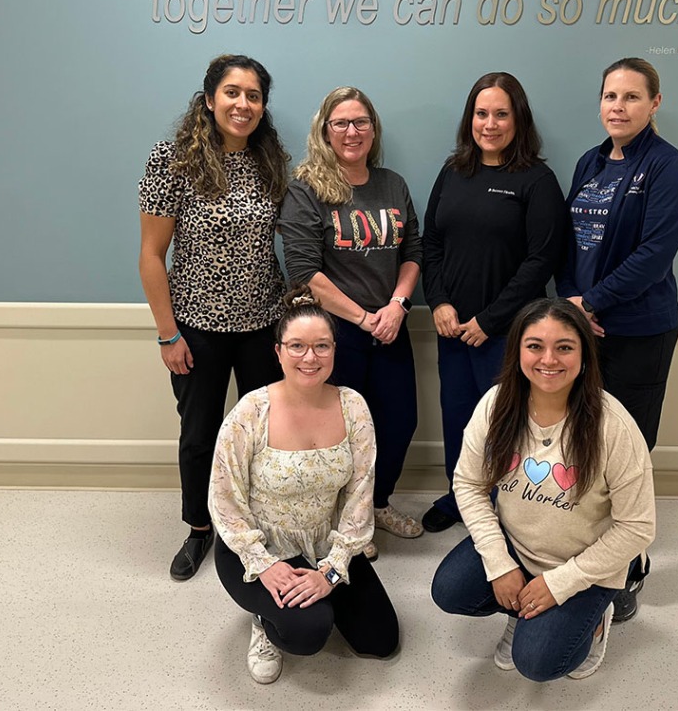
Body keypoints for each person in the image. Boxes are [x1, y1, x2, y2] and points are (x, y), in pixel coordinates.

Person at [431, 298, 654, 681]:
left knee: (537, 663)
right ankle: (525, 608)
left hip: (583, 563)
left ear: (584, 354)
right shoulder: (496, 405)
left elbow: (637, 527)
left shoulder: (613, 426)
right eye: (535, 346)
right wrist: (501, 565)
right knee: (450, 591)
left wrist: (560, 582)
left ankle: (597, 618)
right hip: (519, 547)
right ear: (517, 350)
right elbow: (468, 484)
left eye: (564, 347)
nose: (548, 359)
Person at [138, 54, 290, 582]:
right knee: (200, 434)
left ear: (263, 106)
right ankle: (200, 528)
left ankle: (257, 522)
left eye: (252, 95)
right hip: (196, 327)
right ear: (209, 99)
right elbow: (151, 255)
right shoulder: (172, 160)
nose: (242, 104)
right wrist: (167, 334)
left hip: (263, 325)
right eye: (232, 92)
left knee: (264, 434)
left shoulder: (272, 160)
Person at [556, 57, 678, 621]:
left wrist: (593, 302)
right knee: (582, 442)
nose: (619, 106)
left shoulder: (667, 167)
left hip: (638, 329)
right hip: (582, 329)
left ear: (654, 103)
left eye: (632, 97)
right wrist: (571, 304)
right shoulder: (591, 162)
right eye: (610, 96)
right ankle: (585, 552)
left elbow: (654, 254)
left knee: (628, 450)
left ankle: (629, 565)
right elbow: (568, 242)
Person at [210, 286, 399, 684]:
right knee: (307, 633)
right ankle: (262, 619)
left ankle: (314, 592)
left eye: (321, 346)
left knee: (380, 641)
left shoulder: (352, 406)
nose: (310, 357)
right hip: (258, 546)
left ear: (334, 349)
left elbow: (360, 497)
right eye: (296, 346)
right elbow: (225, 499)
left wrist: (331, 571)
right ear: (278, 351)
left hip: (325, 542)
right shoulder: (251, 411)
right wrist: (263, 566)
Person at [278, 87, 424, 557]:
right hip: (335, 337)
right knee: (338, 434)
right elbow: (304, 271)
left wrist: (397, 305)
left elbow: (413, 252)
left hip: (390, 327)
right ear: (324, 131)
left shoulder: (393, 184)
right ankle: (345, 525)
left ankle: (377, 505)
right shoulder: (306, 188)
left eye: (361, 121)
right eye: (340, 123)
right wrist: (363, 318)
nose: (351, 131)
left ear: (373, 130)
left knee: (398, 423)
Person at [420, 72, 566, 534]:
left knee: (507, 424)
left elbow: (541, 260)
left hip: (507, 331)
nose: (490, 123)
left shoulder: (536, 180)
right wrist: (439, 302)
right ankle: (459, 494)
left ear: (517, 119)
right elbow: (431, 244)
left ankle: (507, 507)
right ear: (470, 119)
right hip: (452, 328)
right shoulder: (453, 171)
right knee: (458, 418)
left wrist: (489, 319)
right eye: (482, 113)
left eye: (501, 114)